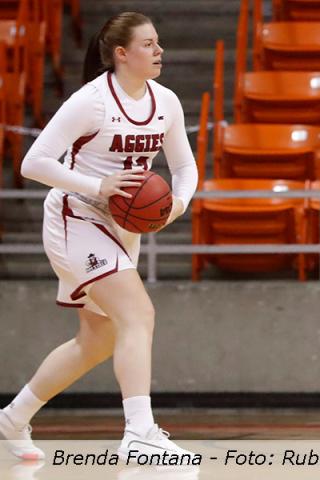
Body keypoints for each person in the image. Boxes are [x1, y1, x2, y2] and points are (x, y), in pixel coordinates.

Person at [0, 12, 198, 461]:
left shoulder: (165, 101)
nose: (159, 50)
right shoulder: (90, 101)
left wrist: (179, 203)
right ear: (122, 54)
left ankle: (12, 417)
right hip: (77, 216)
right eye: (148, 44)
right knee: (139, 314)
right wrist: (96, 187)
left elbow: (184, 167)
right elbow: (34, 163)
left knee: (98, 340)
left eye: (158, 42)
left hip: (122, 226)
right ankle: (139, 433)